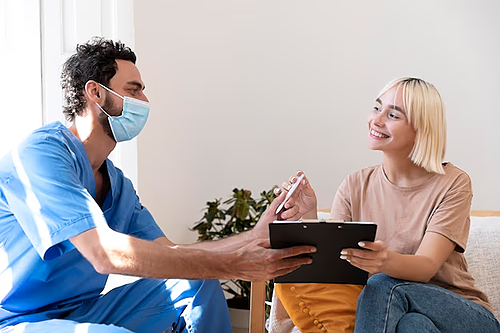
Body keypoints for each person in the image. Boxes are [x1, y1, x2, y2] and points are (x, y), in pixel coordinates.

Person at [0, 37, 316, 333]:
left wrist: (254, 236)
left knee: (198, 283)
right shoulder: (40, 155)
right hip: (17, 321)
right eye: (134, 90)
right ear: (96, 93)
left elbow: (171, 253)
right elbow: (103, 252)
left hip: (84, 310)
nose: (145, 100)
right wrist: (234, 263)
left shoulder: (117, 184)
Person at [276, 77, 500, 333]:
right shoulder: (354, 184)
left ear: (422, 129)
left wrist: (384, 262)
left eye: (393, 115)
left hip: (464, 317)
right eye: (376, 108)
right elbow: (338, 269)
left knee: (384, 283)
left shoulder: (453, 183)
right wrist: (309, 217)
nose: (377, 120)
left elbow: (426, 266)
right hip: (397, 315)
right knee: (412, 326)